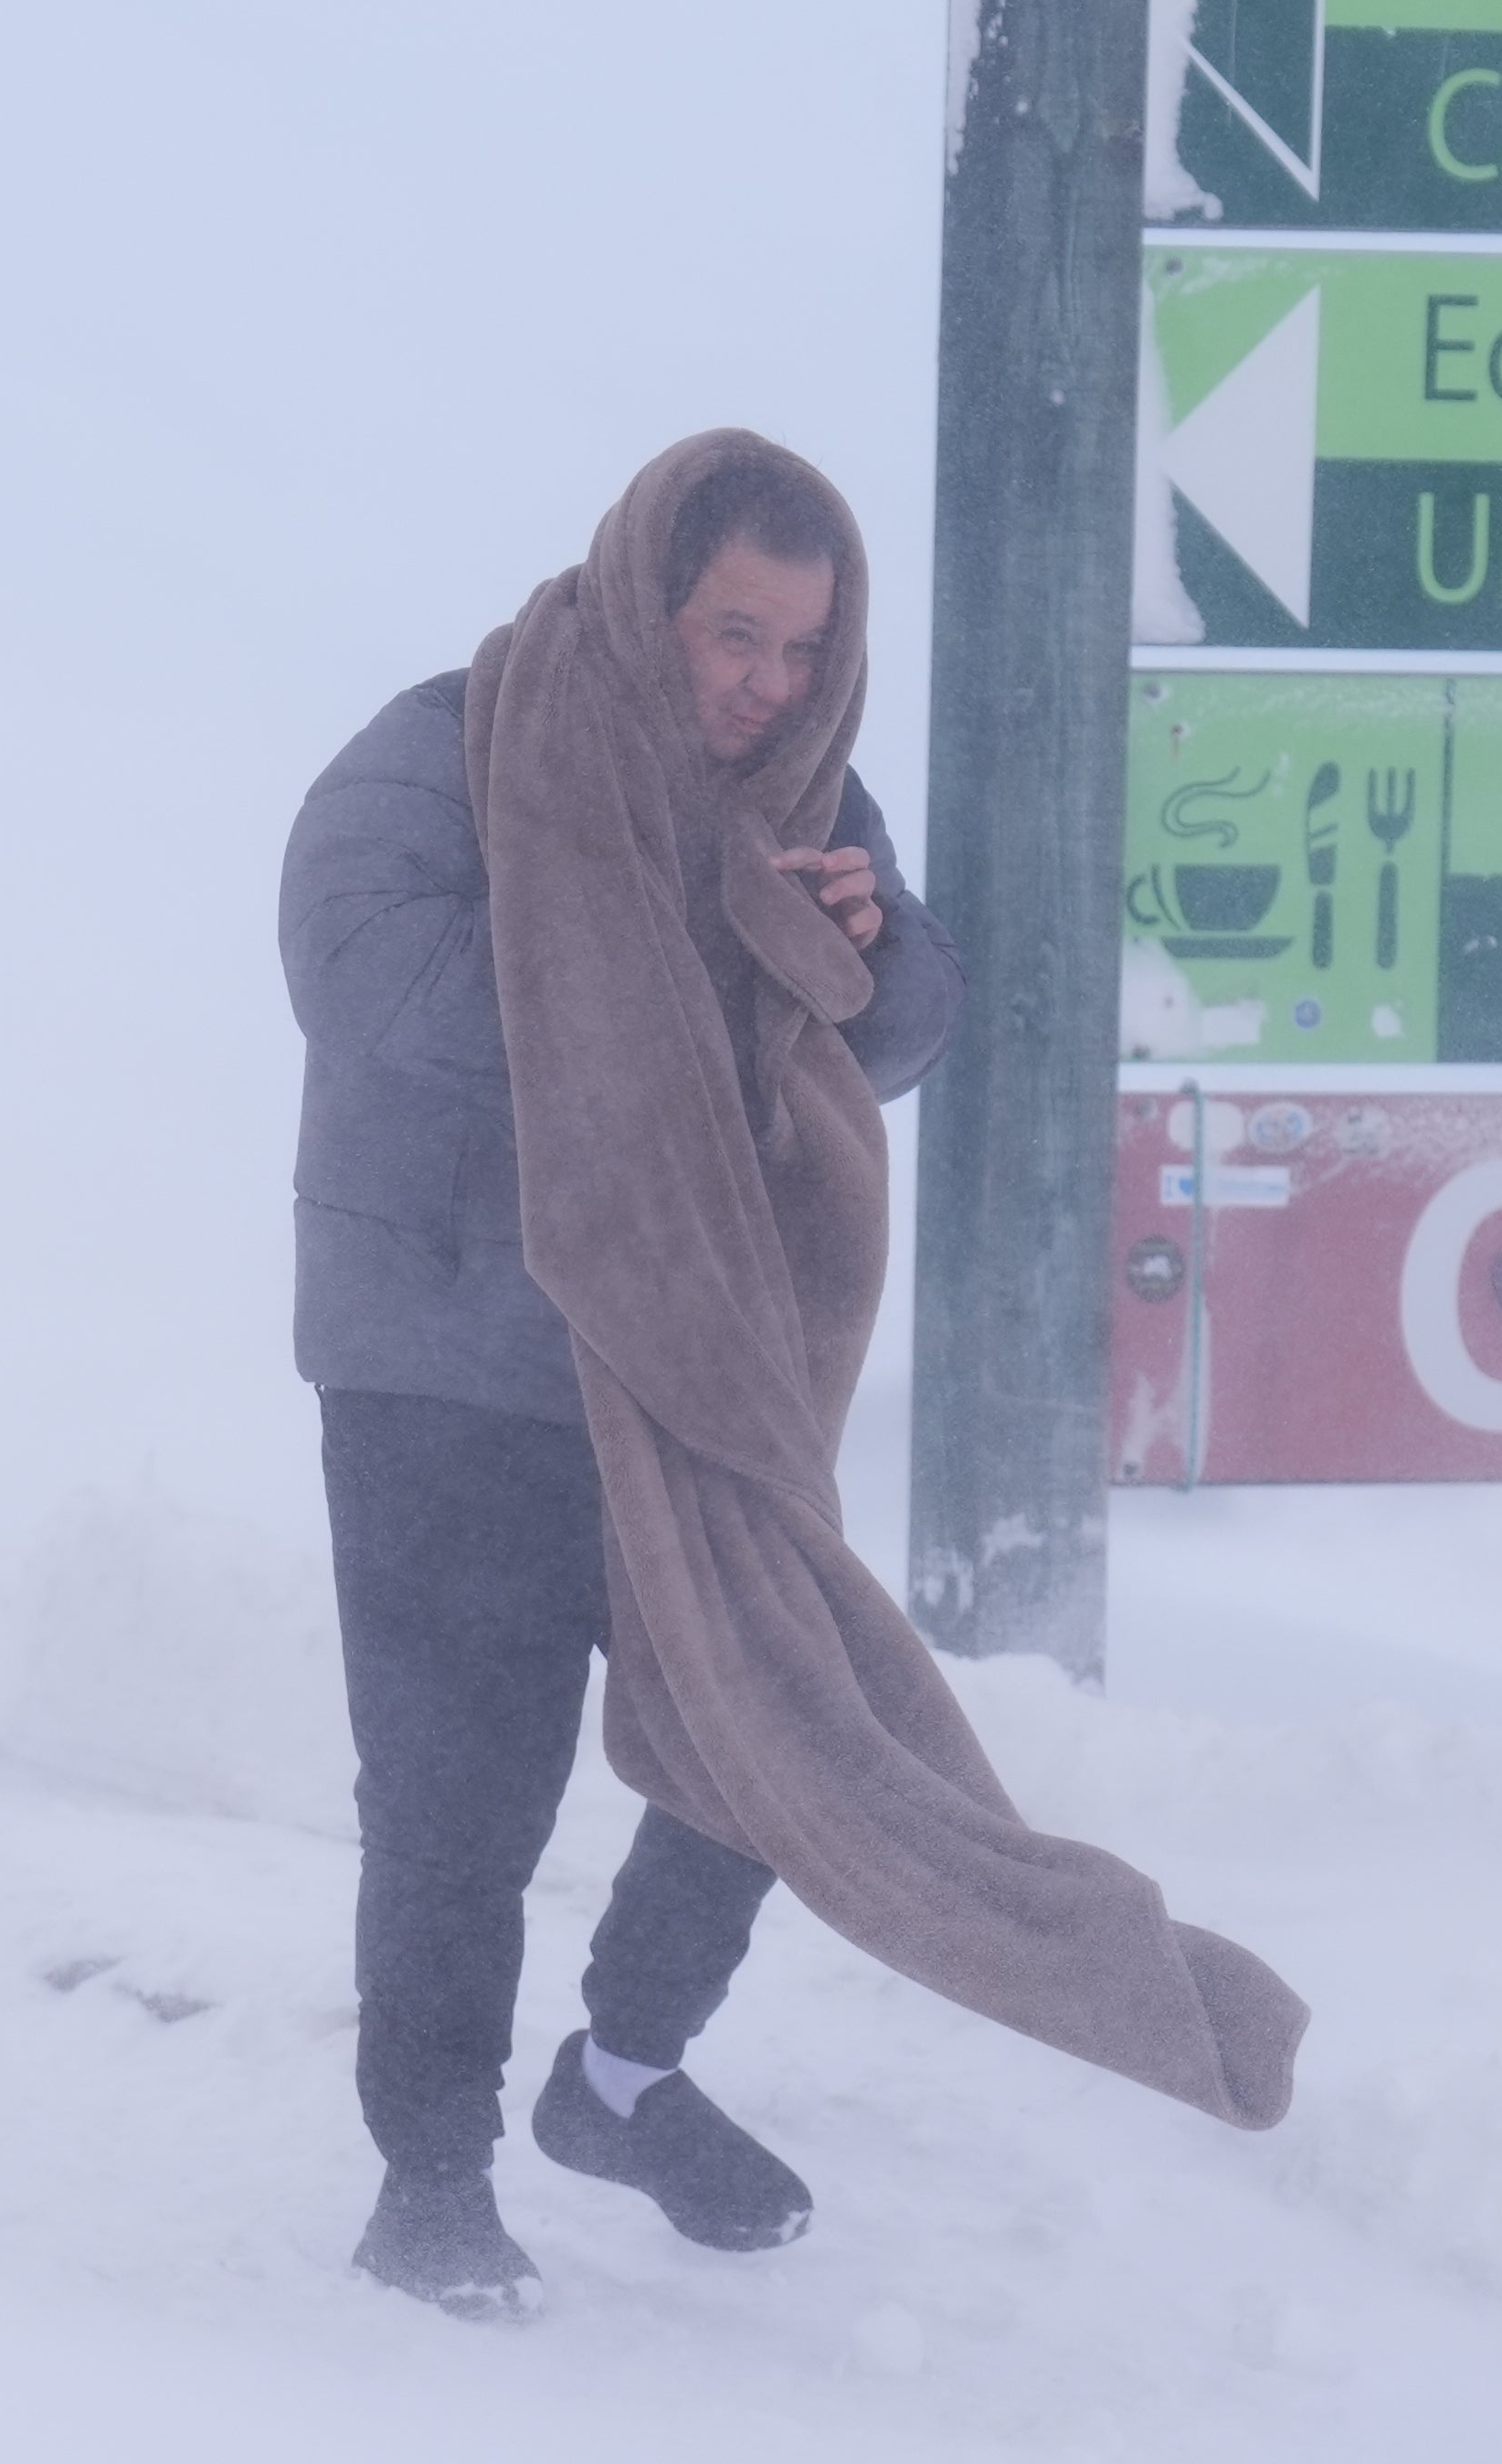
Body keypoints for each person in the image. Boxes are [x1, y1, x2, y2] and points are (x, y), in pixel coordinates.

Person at [279, 448, 961, 2319]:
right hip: (442, 1354)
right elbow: (361, 982)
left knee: (766, 1727)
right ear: (646, 588)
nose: (762, 682)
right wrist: (669, 957)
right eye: (734, 632)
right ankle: (428, 2177)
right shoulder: (441, 751)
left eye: (798, 650)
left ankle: (621, 2080)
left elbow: (896, 1027)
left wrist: (863, 951)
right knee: (458, 1800)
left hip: (685, 1363)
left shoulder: (804, 801)